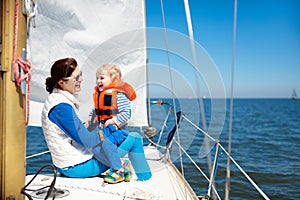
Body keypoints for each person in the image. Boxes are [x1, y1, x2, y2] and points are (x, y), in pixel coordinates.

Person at [41, 57, 151, 184]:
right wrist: (112, 127)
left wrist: (87, 125)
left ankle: (123, 166)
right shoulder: (61, 107)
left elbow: (74, 132)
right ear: (61, 82)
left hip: (70, 162)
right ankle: (143, 179)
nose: (81, 79)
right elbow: (87, 140)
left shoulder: (56, 100)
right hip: (76, 166)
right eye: (76, 77)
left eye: (80, 75)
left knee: (106, 144)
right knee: (135, 138)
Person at [85, 64, 137, 183]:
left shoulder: (119, 95)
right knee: (95, 149)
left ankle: (117, 171)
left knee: (107, 144)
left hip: (119, 131)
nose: (98, 81)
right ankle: (123, 165)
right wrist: (89, 122)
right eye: (97, 78)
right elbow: (95, 110)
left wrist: (114, 121)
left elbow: (126, 113)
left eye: (102, 78)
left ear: (113, 79)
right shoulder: (101, 95)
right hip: (106, 131)